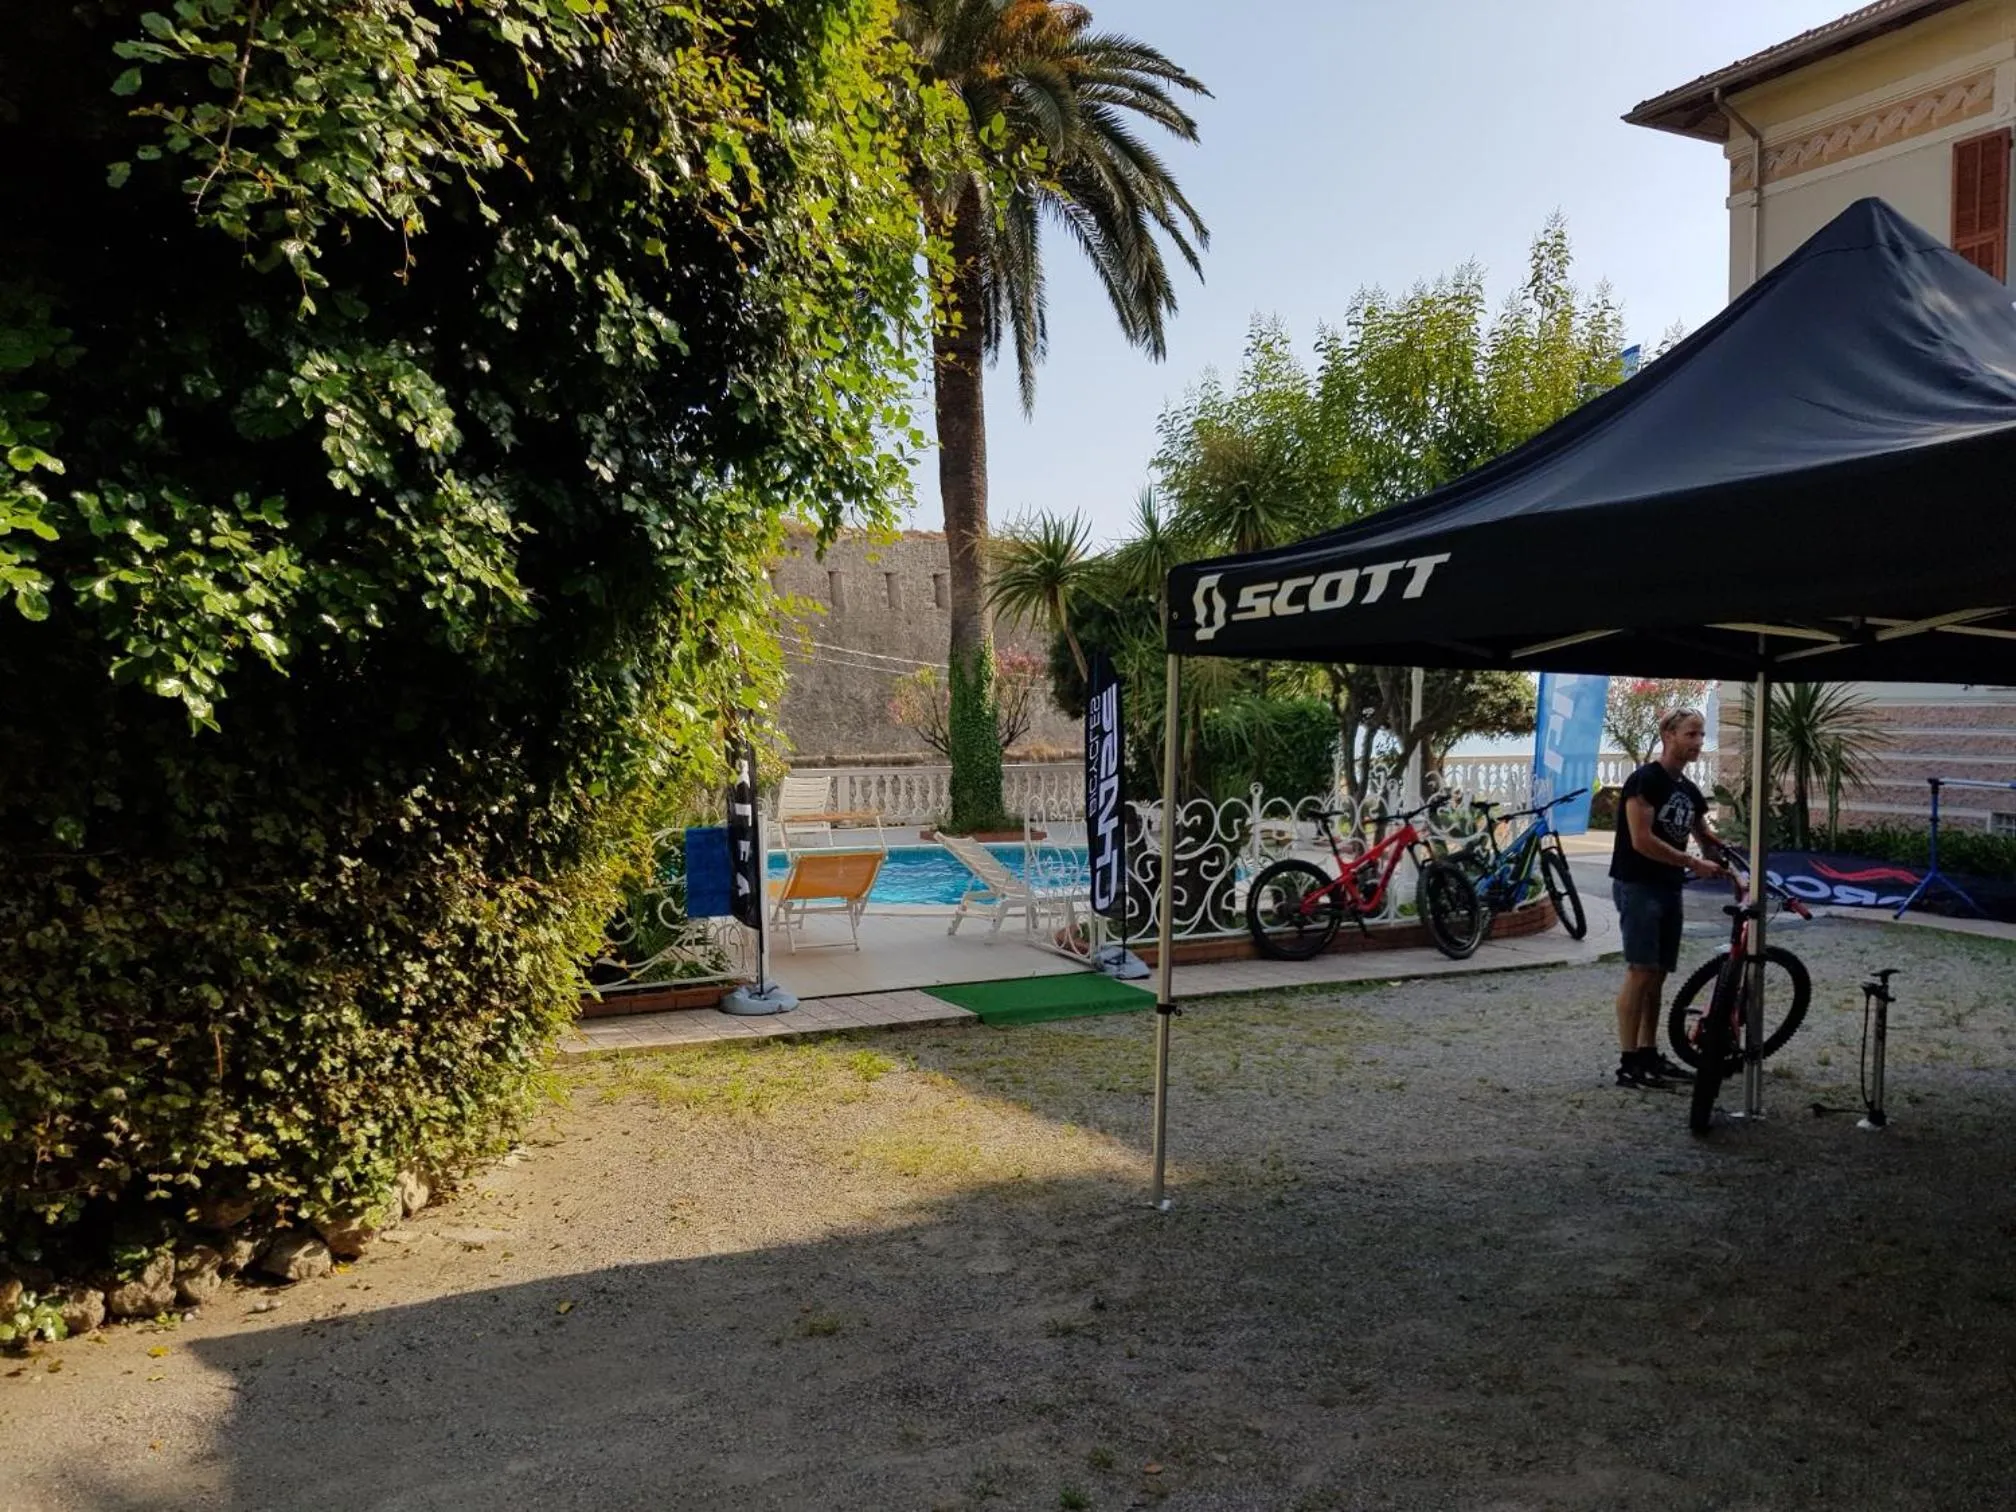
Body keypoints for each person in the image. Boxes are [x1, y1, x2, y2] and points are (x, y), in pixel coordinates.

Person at [1609, 708, 1726, 1087]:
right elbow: (1641, 840)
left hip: (1669, 886)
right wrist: (1692, 861)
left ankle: (1648, 1052)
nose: (1698, 742)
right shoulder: (1645, 781)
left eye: (1701, 735)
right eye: (1690, 734)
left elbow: (1705, 837)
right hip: (1638, 884)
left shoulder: (1689, 791)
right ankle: (1628, 1061)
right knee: (1640, 970)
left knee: (1657, 974)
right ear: (1668, 735)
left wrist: (1723, 858)